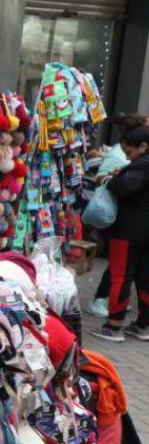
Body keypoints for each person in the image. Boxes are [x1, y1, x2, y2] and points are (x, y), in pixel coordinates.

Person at [89, 112, 149, 318]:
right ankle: (143, 325)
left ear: (143, 146)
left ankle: (114, 326)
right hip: (142, 230)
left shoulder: (141, 165)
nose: (128, 156)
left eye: (130, 152)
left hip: (130, 229)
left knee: (121, 276)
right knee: (142, 277)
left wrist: (111, 180)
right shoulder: (139, 164)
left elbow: (125, 186)